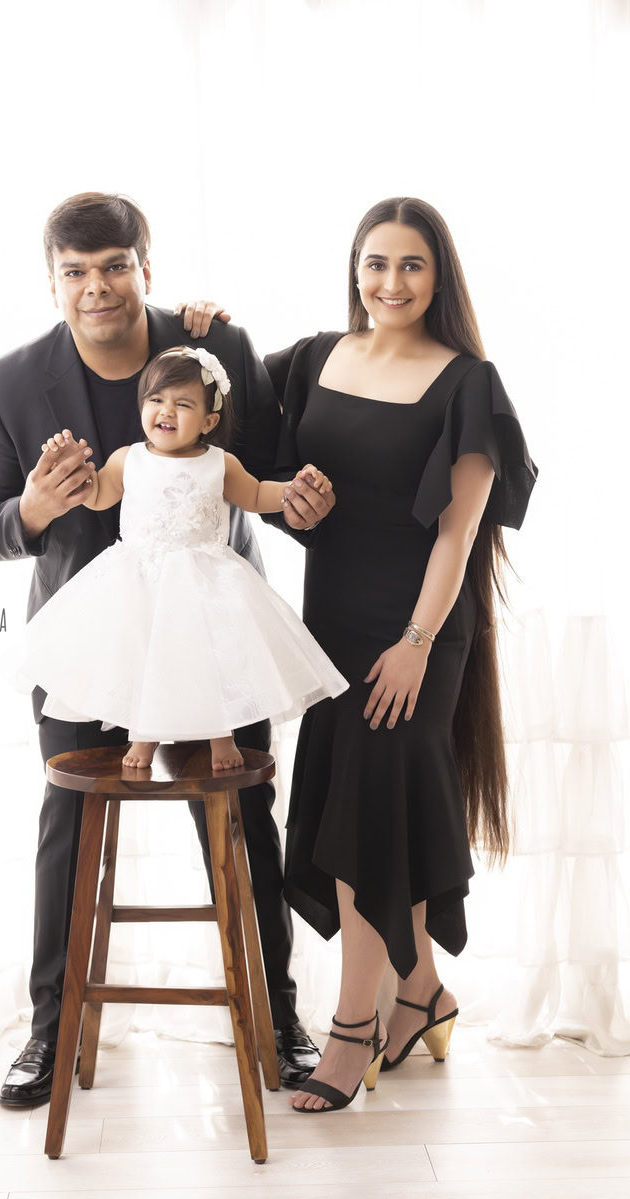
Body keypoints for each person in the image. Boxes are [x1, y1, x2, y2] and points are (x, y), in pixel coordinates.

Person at [0, 192, 333, 1108]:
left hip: (212, 632)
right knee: (66, 820)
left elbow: (268, 479)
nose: (98, 288)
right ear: (52, 283)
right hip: (89, 644)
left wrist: (305, 502)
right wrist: (39, 508)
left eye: (116, 266)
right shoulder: (9, 381)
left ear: (147, 267)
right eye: (76, 273)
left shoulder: (218, 347)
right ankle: (51, 1031)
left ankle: (279, 1020)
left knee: (247, 820)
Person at [182, 195, 538, 1112]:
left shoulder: (468, 383)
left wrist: (418, 644)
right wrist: (212, 329)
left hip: (418, 629)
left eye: (411, 265)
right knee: (364, 807)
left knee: (366, 819)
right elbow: (228, 431)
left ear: (439, 276)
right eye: (375, 263)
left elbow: (458, 537)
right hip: (333, 620)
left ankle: (353, 1033)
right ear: (354, 268)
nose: (390, 282)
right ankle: (421, 994)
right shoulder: (310, 359)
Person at [1, 346, 347, 769]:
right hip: (140, 579)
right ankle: (143, 740)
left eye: (182, 404)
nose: (166, 411)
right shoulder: (129, 459)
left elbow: (257, 494)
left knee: (211, 662)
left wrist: (295, 489)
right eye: (156, 400)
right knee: (147, 662)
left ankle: (223, 740)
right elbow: (98, 495)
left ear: (209, 421)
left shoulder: (221, 463)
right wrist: (72, 471)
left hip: (205, 582)